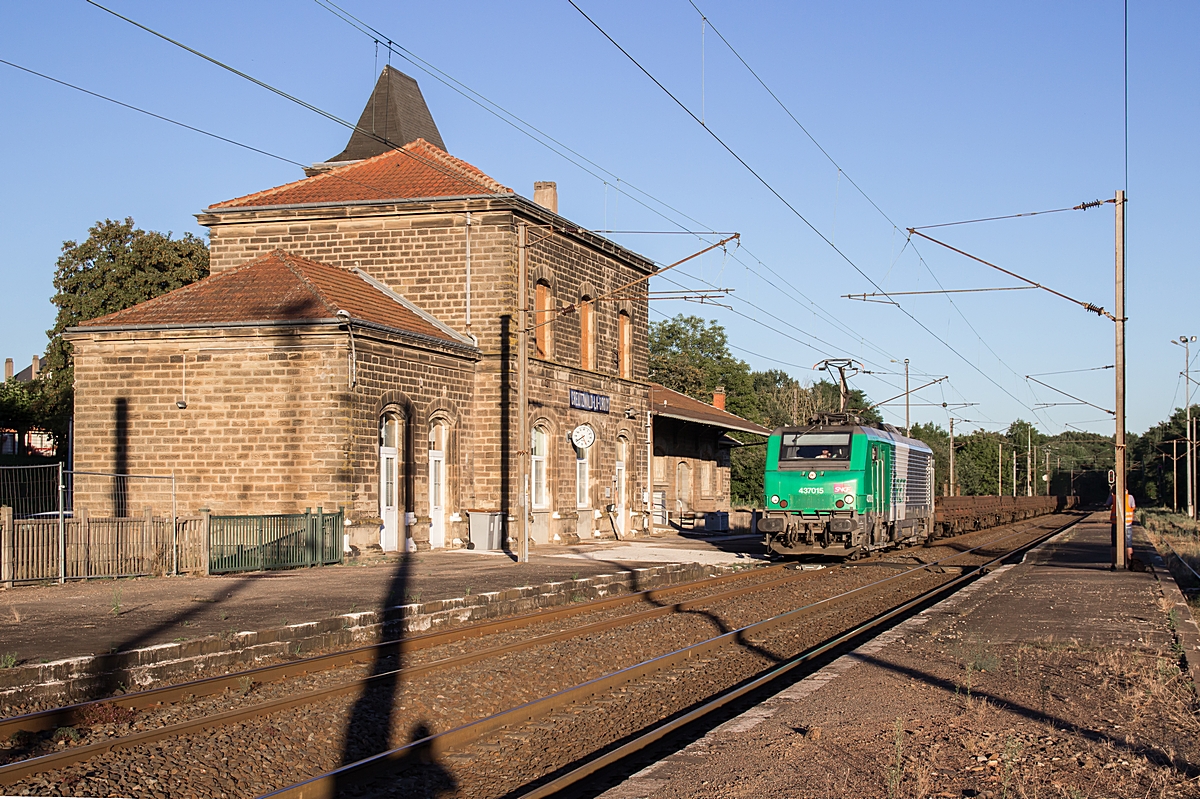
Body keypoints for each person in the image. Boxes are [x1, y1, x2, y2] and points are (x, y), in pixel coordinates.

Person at [1106, 489, 1136, 567]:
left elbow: (1107, 504)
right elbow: (1133, 507)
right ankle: (1129, 564)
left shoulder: (1113, 497)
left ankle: (1113, 564)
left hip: (1115, 523)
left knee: (1114, 545)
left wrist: (1111, 494)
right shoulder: (1130, 497)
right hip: (1127, 524)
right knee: (1129, 545)